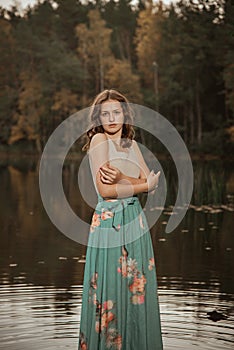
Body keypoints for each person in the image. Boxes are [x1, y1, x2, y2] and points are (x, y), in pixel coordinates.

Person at [78, 89, 163, 350]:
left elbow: (151, 184)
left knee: (134, 293)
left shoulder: (131, 144)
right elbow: (106, 191)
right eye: (105, 113)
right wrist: (137, 184)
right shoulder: (99, 141)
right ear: (98, 118)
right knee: (110, 289)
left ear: (125, 115)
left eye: (116, 112)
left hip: (134, 220)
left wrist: (122, 181)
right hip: (110, 221)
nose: (111, 118)